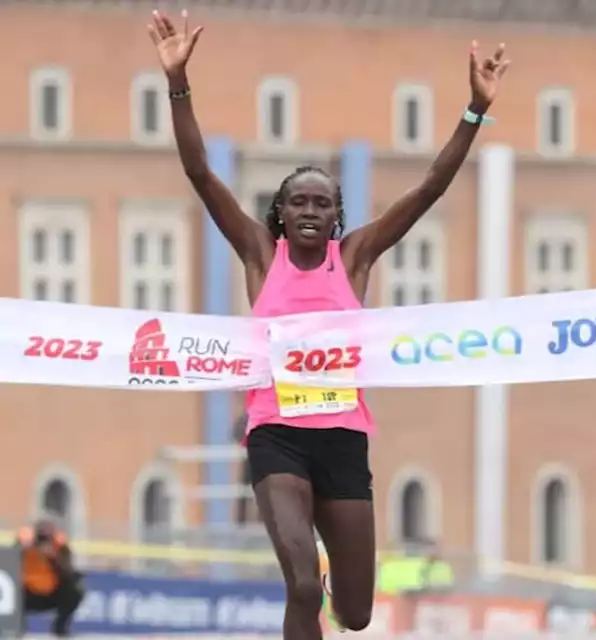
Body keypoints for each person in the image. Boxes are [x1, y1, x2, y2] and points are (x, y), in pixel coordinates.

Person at [146, 10, 509, 639]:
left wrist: (474, 111)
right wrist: (178, 83)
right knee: (302, 585)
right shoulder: (262, 255)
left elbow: (428, 190)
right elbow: (201, 173)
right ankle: (306, 581)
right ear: (279, 214)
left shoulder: (357, 258)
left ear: (337, 217)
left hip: (343, 441)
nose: (310, 212)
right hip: (277, 434)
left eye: (322, 204)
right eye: (298, 203)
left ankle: (341, 596)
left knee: (357, 614)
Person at [16, 520, 84, 637]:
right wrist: (23, 549)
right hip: (27, 592)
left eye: (47, 539)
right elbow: (9, 564)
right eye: (41, 539)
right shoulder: (25, 547)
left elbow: (68, 572)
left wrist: (53, 558)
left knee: (76, 590)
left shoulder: (60, 548)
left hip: (52, 593)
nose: (44, 543)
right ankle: (17, 626)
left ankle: (60, 627)